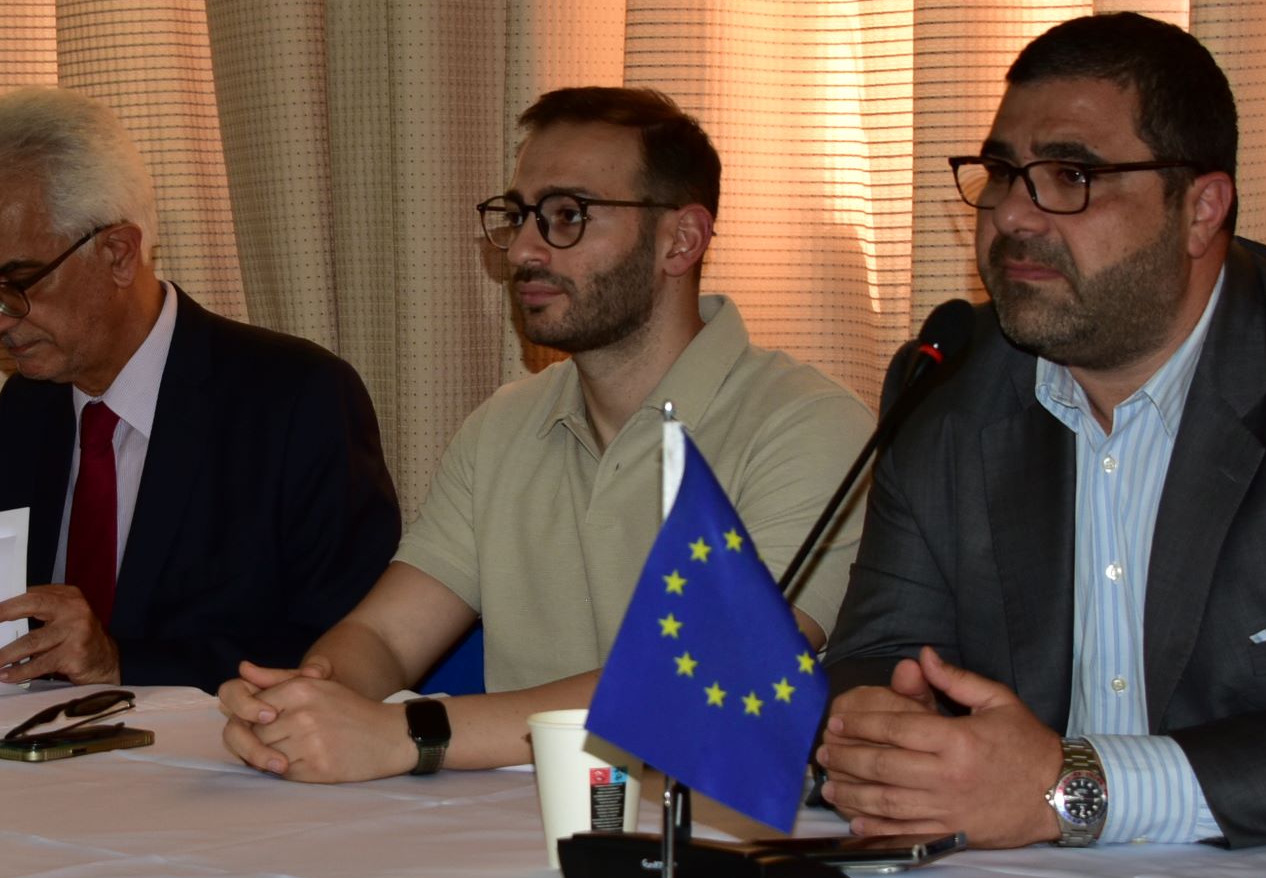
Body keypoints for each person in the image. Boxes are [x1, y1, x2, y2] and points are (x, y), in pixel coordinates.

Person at [816, 13, 1266, 851]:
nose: (1014, 216)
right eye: (1001, 173)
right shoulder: (948, 384)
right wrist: (891, 736)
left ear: (1201, 209)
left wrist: (1071, 789)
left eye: (1072, 175)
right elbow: (879, 656)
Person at [216, 87, 872, 781]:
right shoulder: (502, 425)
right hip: (516, 820)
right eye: (518, 215)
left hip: (715, 828)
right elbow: (383, 634)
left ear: (680, 240)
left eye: (568, 215)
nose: (524, 250)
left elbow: (710, 677)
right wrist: (305, 701)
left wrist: (408, 733)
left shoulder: (810, 427)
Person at [0, 89, 399, 692]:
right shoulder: (28, 405)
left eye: (13, 285)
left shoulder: (297, 400)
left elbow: (342, 647)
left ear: (119, 254)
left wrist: (121, 663)